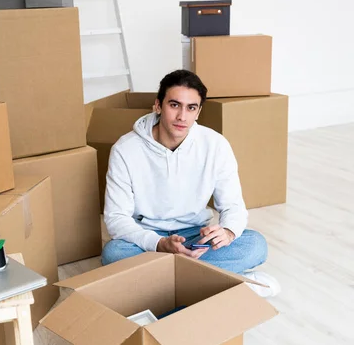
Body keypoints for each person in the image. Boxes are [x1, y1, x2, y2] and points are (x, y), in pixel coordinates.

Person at [102, 69, 280, 297]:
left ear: (199, 112)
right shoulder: (125, 150)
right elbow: (116, 218)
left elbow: (233, 206)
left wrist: (227, 231)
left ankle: (163, 285)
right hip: (149, 238)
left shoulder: (215, 145)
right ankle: (224, 282)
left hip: (197, 235)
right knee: (114, 253)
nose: (182, 117)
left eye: (191, 108)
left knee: (255, 244)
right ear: (158, 105)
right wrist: (158, 243)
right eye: (174, 105)